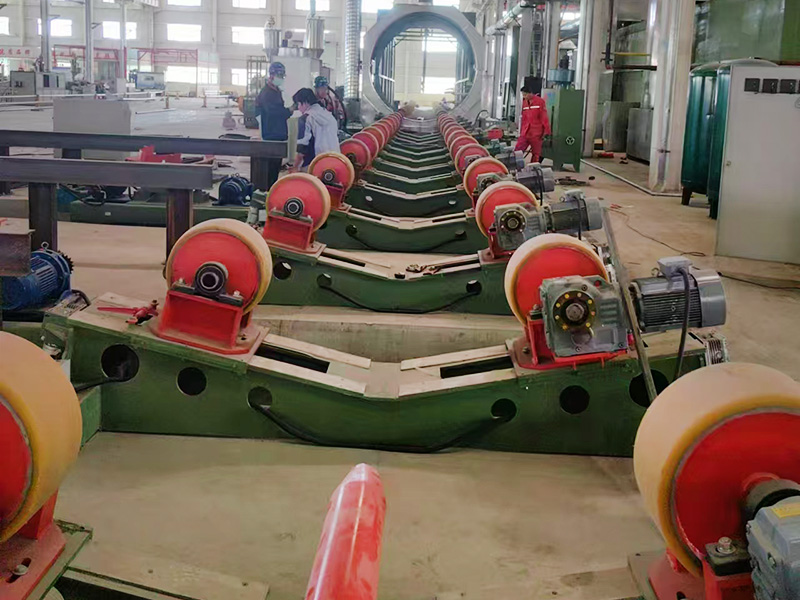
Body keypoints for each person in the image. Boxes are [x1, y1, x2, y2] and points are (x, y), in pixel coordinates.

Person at [255, 61, 291, 189]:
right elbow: (273, 113)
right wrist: (289, 111)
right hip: (271, 135)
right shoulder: (266, 93)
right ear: (271, 76)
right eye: (279, 76)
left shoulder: (276, 91)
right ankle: (267, 191)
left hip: (278, 134)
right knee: (270, 169)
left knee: (275, 167)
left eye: (282, 76)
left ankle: (271, 190)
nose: (281, 79)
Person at [291, 88, 339, 171]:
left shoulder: (305, 118)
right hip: (336, 160)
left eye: (298, 104)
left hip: (316, 164)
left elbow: (302, 148)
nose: (298, 108)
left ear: (305, 102)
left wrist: (295, 166)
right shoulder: (330, 116)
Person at [515, 84, 551, 163]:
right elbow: (524, 118)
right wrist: (521, 131)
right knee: (518, 150)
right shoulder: (525, 103)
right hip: (525, 132)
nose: (524, 97)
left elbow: (544, 117)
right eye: (523, 95)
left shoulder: (540, 102)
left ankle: (533, 168)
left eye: (525, 94)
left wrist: (547, 132)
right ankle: (515, 165)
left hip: (536, 133)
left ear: (530, 93)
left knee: (536, 153)